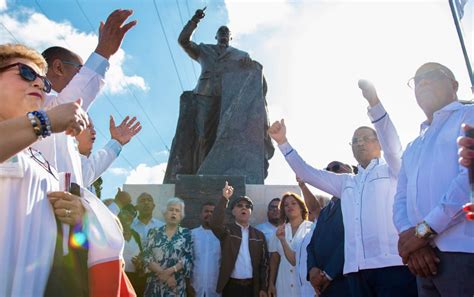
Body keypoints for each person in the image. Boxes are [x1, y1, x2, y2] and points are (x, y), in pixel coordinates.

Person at [268, 80, 417, 297]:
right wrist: (283, 142)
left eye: (367, 138)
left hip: (393, 266)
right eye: (356, 140)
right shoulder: (347, 182)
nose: (361, 143)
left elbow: (393, 145)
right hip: (355, 272)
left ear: (379, 143)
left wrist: (374, 103)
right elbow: (308, 172)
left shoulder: (393, 168)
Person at [0, 43, 89, 296]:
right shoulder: (40, 126)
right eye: (26, 74)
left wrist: (79, 219)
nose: (39, 84)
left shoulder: (40, 157)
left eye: (43, 81)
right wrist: (45, 121)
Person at [393, 62, 474, 296]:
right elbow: (400, 201)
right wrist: (414, 242)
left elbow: (468, 181)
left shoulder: (469, 115)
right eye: (417, 80)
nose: (423, 82)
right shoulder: (412, 146)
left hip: (464, 252)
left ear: (454, 84)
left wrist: (423, 232)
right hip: (422, 260)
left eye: (431, 75)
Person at [35, 9, 136, 186]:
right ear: (58, 68)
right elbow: (64, 107)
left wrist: (116, 143)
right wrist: (103, 53)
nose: (83, 75)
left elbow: (83, 175)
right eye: (80, 70)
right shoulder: (33, 99)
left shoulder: (63, 125)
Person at [210, 182, 268, 297]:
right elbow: (215, 223)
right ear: (233, 211)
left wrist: (263, 288)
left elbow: (264, 264)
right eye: (240, 205)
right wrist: (224, 199)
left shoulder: (259, 236)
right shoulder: (227, 231)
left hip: (252, 288)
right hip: (231, 287)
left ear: (250, 212)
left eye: (247, 206)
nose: (244, 208)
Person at [306, 162, 353, 297]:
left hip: (344, 283)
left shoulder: (353, 203)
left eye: (336, 167)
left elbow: (350, 239)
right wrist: (312, 270)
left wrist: (328, 274)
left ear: (350, 172)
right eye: (327, 170)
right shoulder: (325, 210)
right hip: (323, 286)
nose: (331, 172)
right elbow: (312, 245)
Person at [142, 197, 193, 297]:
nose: (174, 213)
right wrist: (165, 275)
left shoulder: (186, 234)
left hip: (175, 286)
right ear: (165, 213)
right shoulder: (153, 232)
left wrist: (170, 271)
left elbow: (188, 258)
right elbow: (146, 256)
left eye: (177, 210)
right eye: (171, 209)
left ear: (181, 215)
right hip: (155, 285)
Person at [76, 115, 142, 190]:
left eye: (93, 128)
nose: (94, 132)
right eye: (88, 126)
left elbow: (88, 171)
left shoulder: (83, 173)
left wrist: (117, 142)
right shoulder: (62, 163)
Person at [268, 192, 313, 297]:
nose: (289, 206)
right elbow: (274, 260)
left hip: (304, 284)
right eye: (286, 205)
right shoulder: (278, 231)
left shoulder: (312, 229)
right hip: (283, 283)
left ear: (302, 207)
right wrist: (271, 284)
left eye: (293, 203)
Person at [191, 202, 222, 297]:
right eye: (206, 211)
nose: (209, 214)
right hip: (195, 287)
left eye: (212, 212)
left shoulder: (222, 236)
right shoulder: (192, 234)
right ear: (200, 214)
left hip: (215, 288)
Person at [118, 204, 145, 297]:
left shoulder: (136, 236)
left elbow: (142, 257)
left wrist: (140, 263)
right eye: (125, 212)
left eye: (132, 213)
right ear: (119, 214)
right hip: (119, 279)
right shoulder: (115, 233)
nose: (129, 216)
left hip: (135, 280)